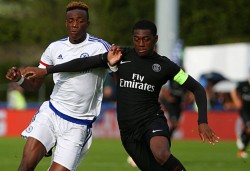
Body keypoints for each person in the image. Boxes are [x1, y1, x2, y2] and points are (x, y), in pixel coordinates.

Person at [22, 20, 219, 171]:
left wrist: (202, 121)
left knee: (161, 153)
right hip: (128, 132)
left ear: (155, 40)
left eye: (146, 39)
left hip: (152, 121)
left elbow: (197, 88)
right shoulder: (120, 56)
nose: (141, 43)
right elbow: (83, 63)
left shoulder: (166, 65)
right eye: (137, 39)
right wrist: (47, 71)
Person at [6, 1, 111, 171]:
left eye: (80, 21)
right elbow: (34, 86)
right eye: (71, 21)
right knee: (26, 166)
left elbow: (118, 74)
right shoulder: (54, 48)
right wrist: (19, 79)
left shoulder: (100, 47)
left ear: (88, 23)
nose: (75, 25)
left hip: (78, 124)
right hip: (52, 114)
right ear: (66, 23)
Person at [230, 70, 250, 158]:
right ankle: (242, 143)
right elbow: (233, 90)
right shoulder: (243, 84)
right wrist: (236, 100)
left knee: (249, 130)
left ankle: (242, 145)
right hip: (244, 110)